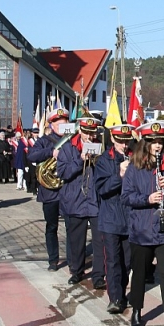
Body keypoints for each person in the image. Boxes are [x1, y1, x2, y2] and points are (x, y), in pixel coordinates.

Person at [121, 122, 164, 326]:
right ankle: (137, 312)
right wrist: (147, 199)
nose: (158, 146)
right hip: (141, 228)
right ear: (145, 143)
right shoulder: (134, 167)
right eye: (153, 142)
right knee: (139, 273)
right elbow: (126, 197)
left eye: (161, 142)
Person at [56, 116, 105, 287]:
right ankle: (76, 271)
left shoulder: (101, 147)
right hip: (75, 201)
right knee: (76, 240)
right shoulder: (68, 149)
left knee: (100, 240)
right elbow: (63, 173)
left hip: (95, 200)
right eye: (86, 133)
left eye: (92, 133)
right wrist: (81, 159)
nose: (90, 136)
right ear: (80, 131)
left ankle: (98, 276)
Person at [95, 124, 135, 314]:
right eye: (120, 141)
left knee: (126, 262)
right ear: (112, 139)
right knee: (112, 261)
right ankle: (115, 298)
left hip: (129, 218)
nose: (123, 145)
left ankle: (122, 293)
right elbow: (102, 189)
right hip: (110, 218)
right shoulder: (104, 160)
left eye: (126, 141)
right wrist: (119, 175)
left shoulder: (134, 156)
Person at [27, 108, 70, 271]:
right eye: (57, 123)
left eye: (64, 123)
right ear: (51, 124)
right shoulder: (44, 141)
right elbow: (31, 156)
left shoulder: (71, 140)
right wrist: (51, 152)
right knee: (51, 227)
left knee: (70, 226)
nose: (61, 126)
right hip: (50, 192)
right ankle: (53, 260)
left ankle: (73, 260)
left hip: (67, 191)